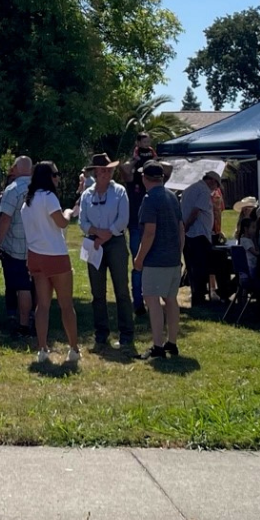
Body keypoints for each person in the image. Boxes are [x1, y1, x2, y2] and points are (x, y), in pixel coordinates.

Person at [21, 161, 79, 364]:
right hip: (54, 255)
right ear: (48, 177)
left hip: (35, 256)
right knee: (66, 305)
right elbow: (62, 222)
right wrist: (70, 212)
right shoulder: (49, 197)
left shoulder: (27, 202)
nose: (58, 178)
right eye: (55, 174)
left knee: (42, 305)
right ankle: (73, 348)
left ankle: (42, 348)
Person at [76, 154, 134, 351]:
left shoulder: (119, 191)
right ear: (95, 172)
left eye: (109, 170)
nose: (106, 173)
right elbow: (82, 222)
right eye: (102, 170)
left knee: (121, 290)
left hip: (115, 242)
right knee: (97, 292)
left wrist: (106, 235)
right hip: (94, 243)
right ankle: (101, 333)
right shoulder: (86, 195)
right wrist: (95, 233)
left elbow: (123, 219)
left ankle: (126, 333)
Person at [131, 162, 185, 358]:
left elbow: (149, 233)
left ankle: (157, 345)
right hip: (173, 259)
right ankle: (172, 342)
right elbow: (181, 229)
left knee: (152, 300)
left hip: (155, 260)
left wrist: (139, 258)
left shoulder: (149, 199)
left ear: (145, 178)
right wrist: (178, 253)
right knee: (171, 300)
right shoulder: (172, 197)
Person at [0, 156, 36, 337]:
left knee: (22, 287)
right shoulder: (40, 188)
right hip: (37, 246)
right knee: (35, 285)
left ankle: (23, 324)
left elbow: (5, 218)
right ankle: (36, 318)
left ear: (17, 169)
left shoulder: (13, 190)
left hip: (16, 247)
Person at [179, 170, 221, 306]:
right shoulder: (203, 191)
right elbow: (195, 212)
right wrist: (187, 226)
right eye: (217, 186)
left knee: (192, 267)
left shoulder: (189, 189)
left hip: (189, 234)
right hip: (198, 234)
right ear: (212, 181)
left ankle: (197, 296)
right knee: (200, 268)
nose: (216, 189)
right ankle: (200, 298)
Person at [125, 135, 156, 317]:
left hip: (151, 224)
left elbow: (167, 168)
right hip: (136, 225)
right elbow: (126, 169)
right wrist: (134, 159)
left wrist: (154, 161)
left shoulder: (152, 161)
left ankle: (152, 301)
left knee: (152, 264)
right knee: (138, 265)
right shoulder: (132, 176)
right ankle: (138, 303)